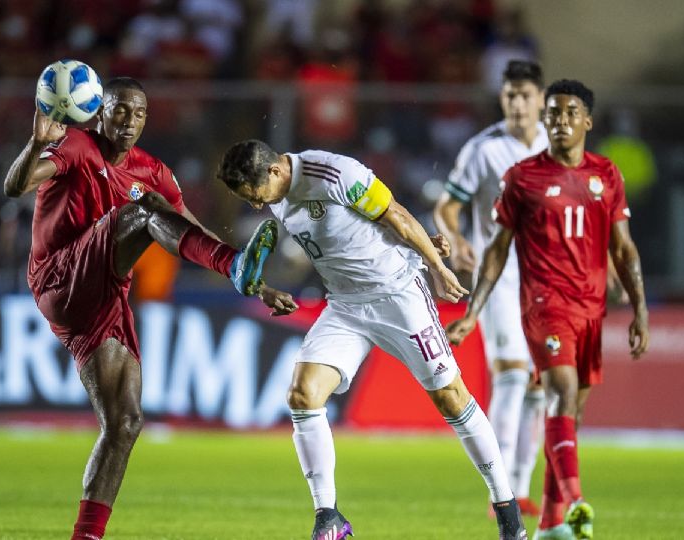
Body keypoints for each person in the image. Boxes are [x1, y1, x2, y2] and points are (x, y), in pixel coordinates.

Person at [2, 77, 291, 540]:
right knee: (139, 213)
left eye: (138, 114)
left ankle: (86, 536)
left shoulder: (152, 171)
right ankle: (236, 266)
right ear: (100, 111)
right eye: (119, 110)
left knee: (125, 423)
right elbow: (15, 186)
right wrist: (35, 143)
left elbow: (190, 229)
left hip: (104, 294)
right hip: (59, 276)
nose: (129, 122)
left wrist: (254, 286)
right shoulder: (76, 145)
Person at [217, 139, 528, 540]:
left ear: (275, 171)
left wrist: (435, 266)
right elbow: (332, 242)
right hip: (345, 307)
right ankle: (328, 518)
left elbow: (393, 213)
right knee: (302, 394)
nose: (257, 205)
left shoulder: (333, 172)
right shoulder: (278, 198)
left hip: (399, 295)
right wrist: (267, 287)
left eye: (255, 195)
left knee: (452, 398)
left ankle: (507, 512)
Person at [445, 80, 650, 540]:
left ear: (587, 122)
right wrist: (474, 311)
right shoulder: (522, 177)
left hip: (590, 311)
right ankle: (576, 499)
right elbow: (497, 250)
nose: (559, 121)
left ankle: (552, 524)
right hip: (543, 307)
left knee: (570, 414)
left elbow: (624, 248)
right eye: (552, 113)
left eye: (569, 113)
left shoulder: (607, 175)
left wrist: (640, 308)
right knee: (558, 391)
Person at [433, 59, 548, 517]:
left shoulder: (554, 144)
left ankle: (521, 486)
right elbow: (447, 205)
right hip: (498, 276)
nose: (517, 103)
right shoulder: (483, 148)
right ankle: (500, 491)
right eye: (509, 96)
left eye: (525, 95)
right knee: (513, 373)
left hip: (547, 278)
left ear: (541, 99)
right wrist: (457, 238)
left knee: (540, 386)